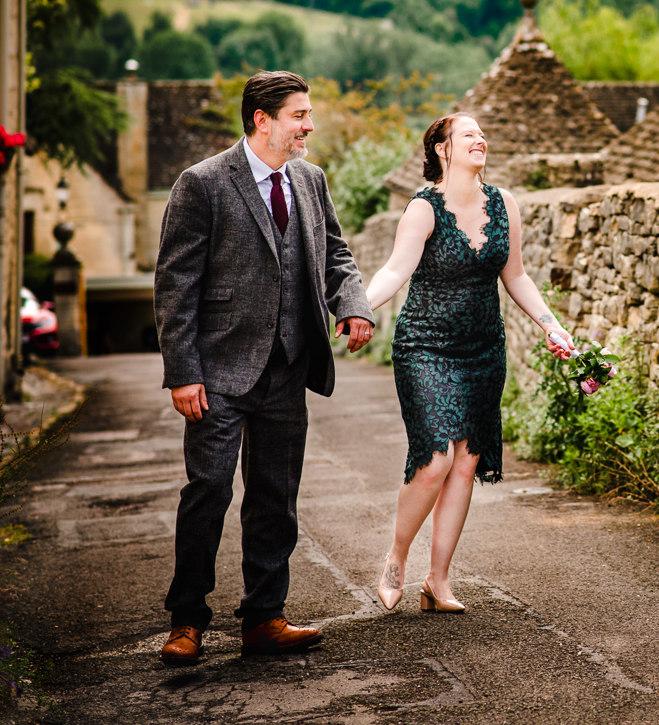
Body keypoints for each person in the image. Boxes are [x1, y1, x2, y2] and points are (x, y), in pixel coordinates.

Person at [154, 71, 375, 664]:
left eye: (308, 114)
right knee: (208, 491)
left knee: (276, 497)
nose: (309, 125)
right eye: (300, 115)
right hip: (217, 370)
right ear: (263, 119)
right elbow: (176, 285)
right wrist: (182, 371)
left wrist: (353, 307)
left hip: (286, 365)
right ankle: (187, 621)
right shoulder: (201, 183)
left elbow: (335, 252)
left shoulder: (310, 179)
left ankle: (264, 617)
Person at [365, 112, 574, 613]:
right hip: (426, 345)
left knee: (466, 463)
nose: (480, 140)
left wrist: (551, 324)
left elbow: (516, 276)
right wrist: (355, 307)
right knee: (436, 460)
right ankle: (396, 556)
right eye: (467, 135)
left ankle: (438, 582)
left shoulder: (505, 204)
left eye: (482, 134)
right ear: (443, 149)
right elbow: (395, 270)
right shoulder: (423, 209)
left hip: (483, 348)